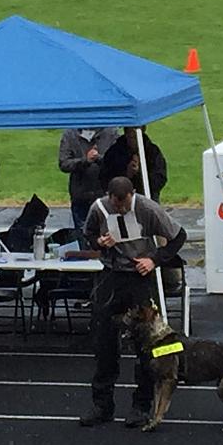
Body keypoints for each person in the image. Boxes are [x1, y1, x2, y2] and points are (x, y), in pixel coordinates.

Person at [79, 176, 187, 427]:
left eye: (125, 206)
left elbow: (179, 236)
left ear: (132, 195)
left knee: (146, 347)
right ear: (110, 198)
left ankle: (141, 405)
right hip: (111, 278)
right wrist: (99, 243)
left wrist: (154, 259)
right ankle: (102, 405)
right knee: (105, 343)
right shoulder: (99, 208)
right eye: (117, 206)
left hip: (139, 279)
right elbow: (88, 234)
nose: (121, 210)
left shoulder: (148, 209)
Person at [58, 127, 119, 230]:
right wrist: (85, 161)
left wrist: (99, 158)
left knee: (108, 232)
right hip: (81, 196)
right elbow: (64, 163)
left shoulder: (111, 133)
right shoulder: (70, 134)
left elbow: (118, 162)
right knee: (82, 235)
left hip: (105, 195)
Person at [99, 126, 167, 203]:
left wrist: (140, 172)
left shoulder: (153, 152)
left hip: (148, 198)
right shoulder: (114, 152)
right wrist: (126, 174)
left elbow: (160, 179)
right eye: (131, 137)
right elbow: (105, 178)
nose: (133, 141)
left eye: (135, 137)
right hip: (121, 201)